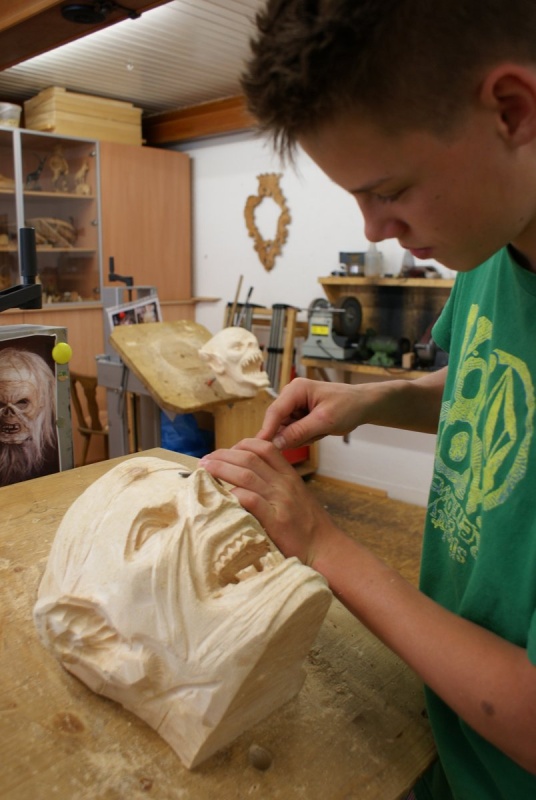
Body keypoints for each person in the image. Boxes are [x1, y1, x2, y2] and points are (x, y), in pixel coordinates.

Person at [200, 1, 536, 797]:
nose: (376, 229)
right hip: (448, 728)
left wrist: (322, 545)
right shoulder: (491, 248)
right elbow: (493, 385)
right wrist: (371, 401)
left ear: (512, 111)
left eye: (391, 189)